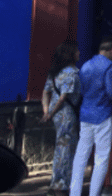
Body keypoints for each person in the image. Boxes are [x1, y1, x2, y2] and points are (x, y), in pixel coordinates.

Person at [70, 37, 112, 196]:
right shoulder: (109, 66)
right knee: (101, 158)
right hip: (103, 114)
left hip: (85, 114)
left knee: (81, 155)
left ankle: (75, 193)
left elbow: (82, 91)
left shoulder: (85, 65)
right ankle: (94, 193)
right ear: (111, 51)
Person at [41, 42, 81, 196]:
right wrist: (50, 113)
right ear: (70, 54)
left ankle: (57, 183)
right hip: (67, 115)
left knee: (60, 149)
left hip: (56, 116)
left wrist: (47, 112)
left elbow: (45, 93)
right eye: (76, 51)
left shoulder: (55, 72)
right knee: (66, 151)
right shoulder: (72, 73)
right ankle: (61, 185)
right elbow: (63, 98)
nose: (78, 53)